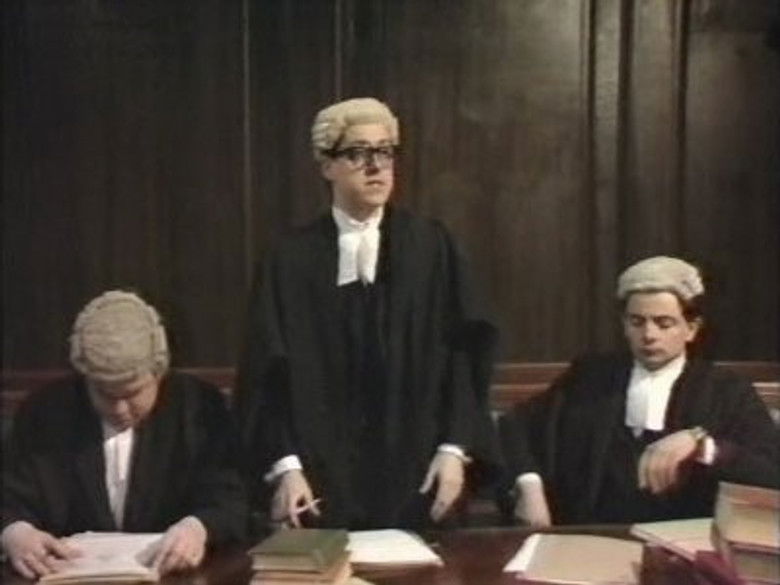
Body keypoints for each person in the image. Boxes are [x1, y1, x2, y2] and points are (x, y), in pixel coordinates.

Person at [235, 97, 499, 530]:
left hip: (420, 478)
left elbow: (463, 358)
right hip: (318, 485)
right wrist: (286, 467)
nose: (375, 166)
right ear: (327, 166)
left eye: (384, 152)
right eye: (357, 153)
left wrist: (454, 449)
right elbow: (267, 374)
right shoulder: (289, 259)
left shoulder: (431, 247)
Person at [499, 256, 780, 526]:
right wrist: (528, 484)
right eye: (637, 322)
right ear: (624, 325)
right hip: (593, 535)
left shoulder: (727, 391)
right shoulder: (590, 376)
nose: (649, 335)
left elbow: (770, 472)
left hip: (688, 539)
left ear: (691, 329)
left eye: (664, 323)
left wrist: (703, 447)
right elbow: (515, 426)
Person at [1, 291, 247, 579]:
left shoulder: (198, 408)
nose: (119, 408)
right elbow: (9, 495)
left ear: (159, 372)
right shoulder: (44, 412)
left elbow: (230, 498)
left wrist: (198, 528)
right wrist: (14, 532)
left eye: (132, 394)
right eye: (105, 394)